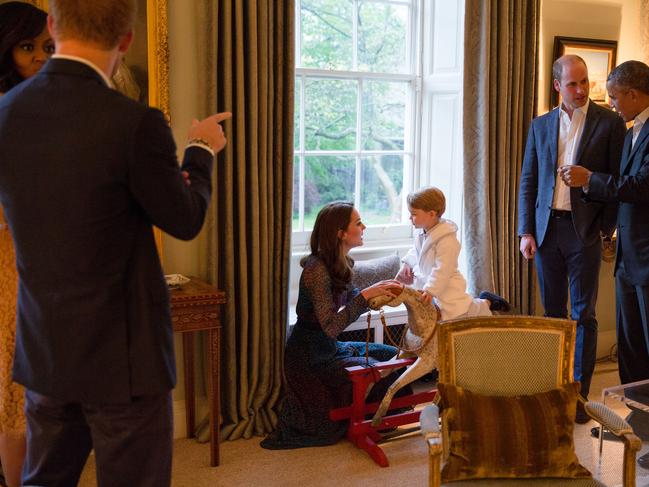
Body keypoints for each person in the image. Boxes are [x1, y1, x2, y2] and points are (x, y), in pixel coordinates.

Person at [0, 0, 230, 485]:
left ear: (54, 25)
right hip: (125, 362)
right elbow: (185, 219)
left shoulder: (5, 113)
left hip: (45, 350)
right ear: (125, 40)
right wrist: (201, 149)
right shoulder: (133, 122)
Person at [518, 54, 626, 422]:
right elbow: (528, 180)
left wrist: (604, 227)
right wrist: (526, 230)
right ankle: (554, 386)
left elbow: (616, 180)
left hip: (585, 231)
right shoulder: (540, 125)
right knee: (552, 315)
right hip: (546, 231)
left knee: (584, 315)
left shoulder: (610, 123)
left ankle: (579, 396)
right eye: (573, 84)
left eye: (585, 83)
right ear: (557, 86)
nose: (582, 90)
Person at [261, 201, 408, 449]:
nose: (364, 227)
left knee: (393, 356)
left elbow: (353, 299)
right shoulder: (316, 270)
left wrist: (380, 294)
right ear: (340, 233)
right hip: (309, 356)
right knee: (373, 367)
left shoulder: (342, 262)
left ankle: (378, 419)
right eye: (358, 223)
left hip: (329, 347)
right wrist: (364, 297)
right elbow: (331, 326)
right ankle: (363, 422)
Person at [559, 60, 649, 463]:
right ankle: (639, 428)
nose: (611, 104)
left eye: (614, 97)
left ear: (632, 93)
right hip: (629, 259)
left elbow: (642, 188)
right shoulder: (632, 132)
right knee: (631, 351)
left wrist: (590, 179)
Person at [0, 3, 52, 486]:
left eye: (47, 46)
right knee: (17, 396)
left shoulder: (51, 108)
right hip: (12, 265)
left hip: (51, 264)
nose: (39, 57)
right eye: (27, 46)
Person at [396, 186, 510, 320]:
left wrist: (431, 290)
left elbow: (443, 268)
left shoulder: (447, 239)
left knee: (462, 311)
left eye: (414, 214)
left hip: (447, 286)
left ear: (431, 214)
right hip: (428, 284)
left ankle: (487, 302)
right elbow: (416, 252)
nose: (410, 217)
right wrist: (407, 264)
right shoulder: (421, 232)